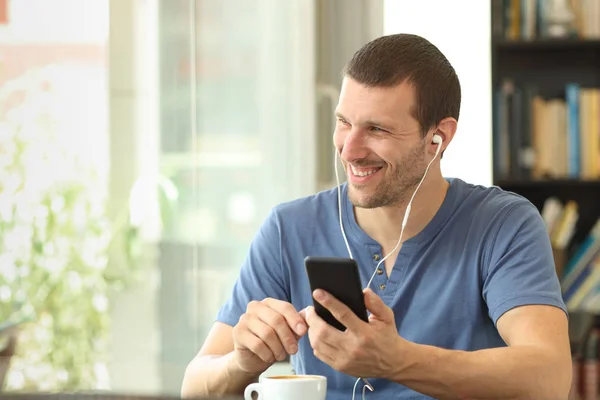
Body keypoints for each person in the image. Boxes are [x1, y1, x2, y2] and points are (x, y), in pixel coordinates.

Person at [180, 33, 571, 400]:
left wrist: (397, 360)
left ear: (439, 138)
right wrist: (242, 363)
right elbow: (195, 383)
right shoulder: (289, 228)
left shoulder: (503, 225)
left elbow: (550, 376)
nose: (350, 149)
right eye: (344, 122)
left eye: (377, 129)